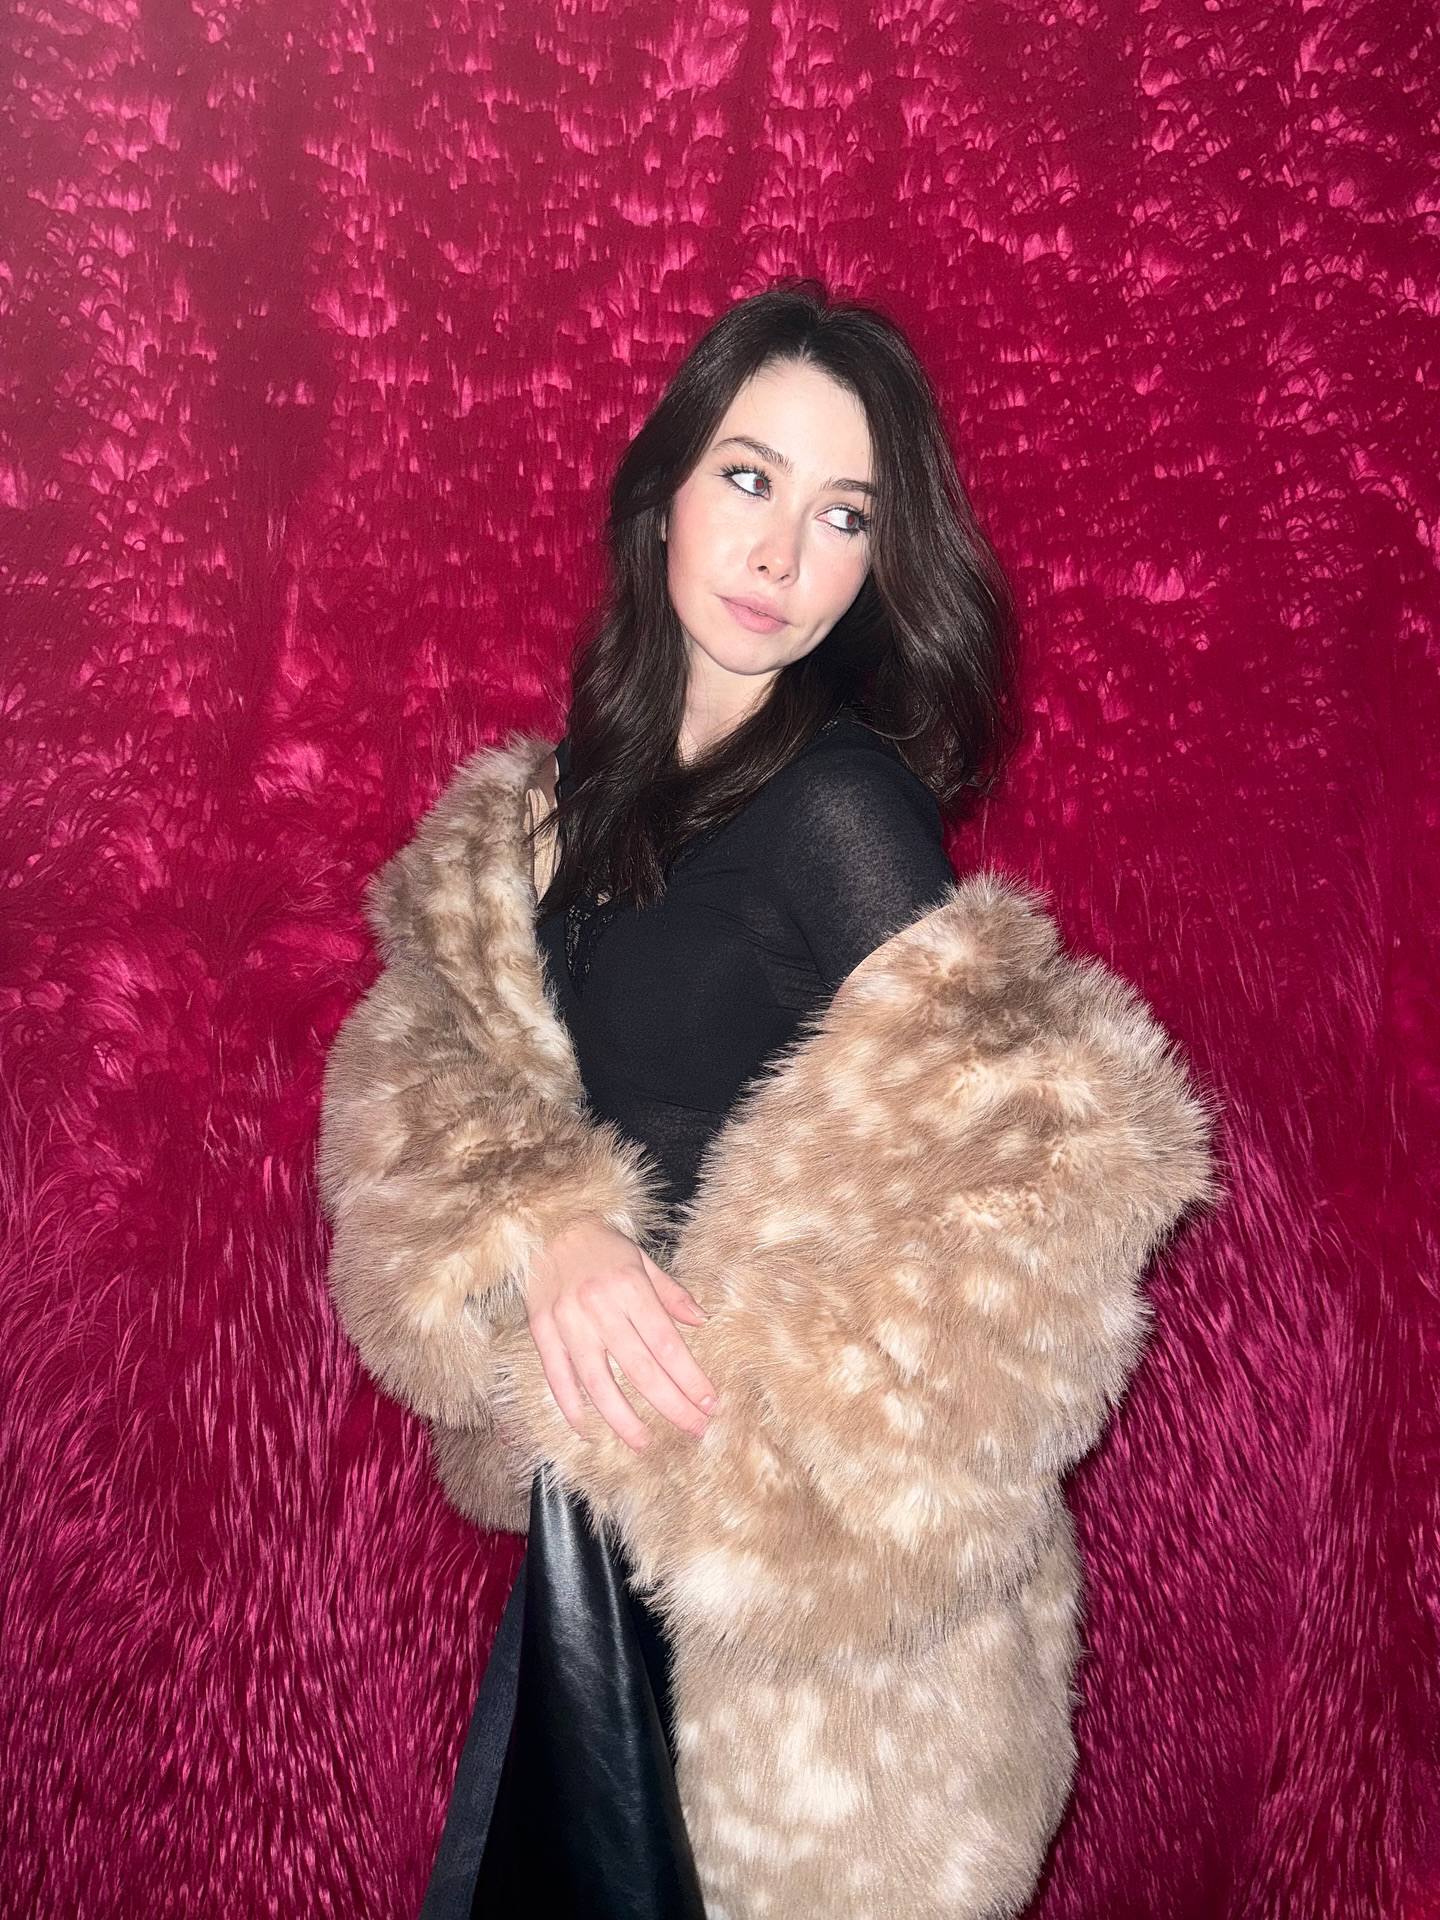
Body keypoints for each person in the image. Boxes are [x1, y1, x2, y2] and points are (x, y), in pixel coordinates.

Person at [316, 281, 1218, 1919]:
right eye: (749, 478)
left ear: (879, 563)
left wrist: (742, 1470)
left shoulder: (840, 808)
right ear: (665, 487)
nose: (782, 553)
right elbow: (436, 1072)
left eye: (843, 515)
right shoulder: (554, 819)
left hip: (811, 1656)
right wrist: (546, 1231)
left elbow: (1033, 1186)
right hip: (607, 1557)